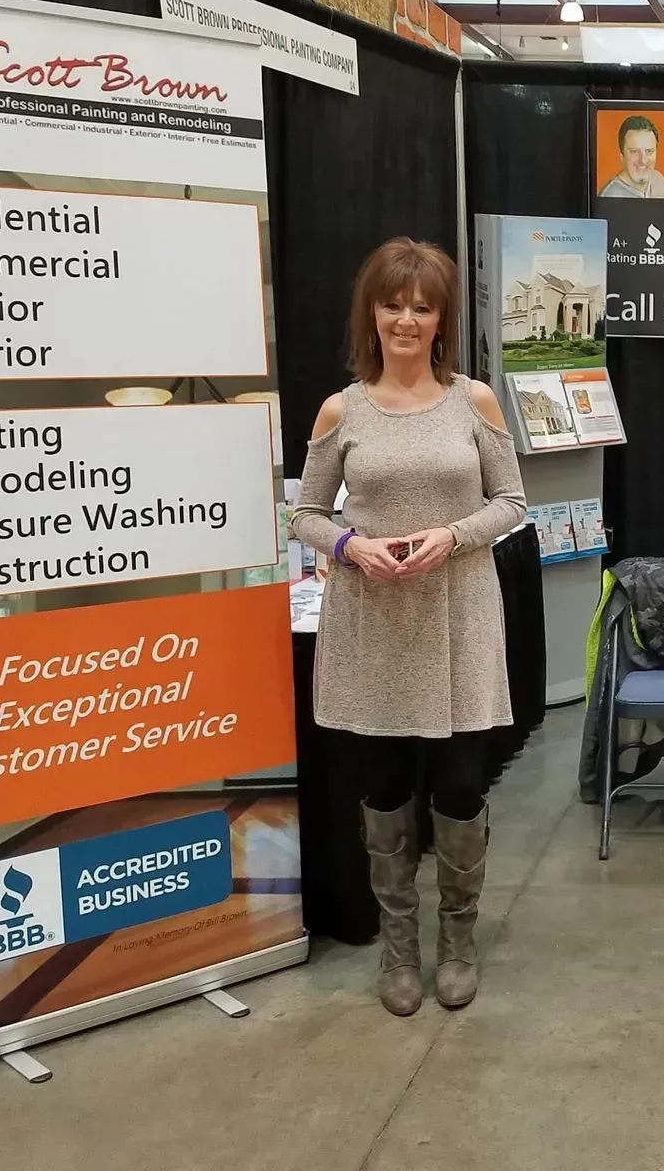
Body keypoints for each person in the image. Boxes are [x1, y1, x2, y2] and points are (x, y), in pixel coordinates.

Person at [289, 238, 525, 1015]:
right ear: (372, 313)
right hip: (373, 623)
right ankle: (399, 949)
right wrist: (352, 547)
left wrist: (451, 536)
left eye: (423, 307)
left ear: (441, 320)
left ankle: (457, 937)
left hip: (458, 619)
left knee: (459, 789)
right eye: (393, 304)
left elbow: (512, 504)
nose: (407, 319)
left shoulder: (475, 401)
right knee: (384, 790)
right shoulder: (342, 409)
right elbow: (307, 515)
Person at [599, 114, 664, 198]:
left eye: (649, 151)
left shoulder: (659, 180)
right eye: (634, 151)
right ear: (622, 156)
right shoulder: (609, 196)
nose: (643, 160)